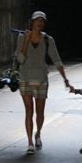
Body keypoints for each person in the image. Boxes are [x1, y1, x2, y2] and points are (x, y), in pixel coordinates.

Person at [15, 11, 69, 155]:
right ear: (31, 22)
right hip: (25, 78)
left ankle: (38, 133)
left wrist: (65, 79)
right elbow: (20, 59)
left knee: (40, 112)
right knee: (29, 110)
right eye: (37, 20)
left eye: (42, 21)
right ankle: (30, 143)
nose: (40, 23)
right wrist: (26, 40)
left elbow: (56, 59)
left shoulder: (48, 39)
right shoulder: (21, 37)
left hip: (41, 79)